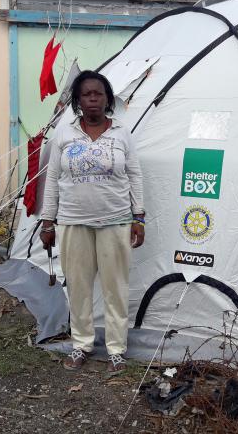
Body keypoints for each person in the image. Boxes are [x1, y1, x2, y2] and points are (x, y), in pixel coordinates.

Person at [39, 70, 145, 373]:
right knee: (79, 287)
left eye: (98, 93)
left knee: (115, 288)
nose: (93, 99)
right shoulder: (65, 133)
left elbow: (135, 176)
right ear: (78, 100)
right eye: (87, 94)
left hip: (116, 220)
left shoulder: (122, 133)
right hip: (73, 222)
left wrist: (139, 217)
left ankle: (116, 350)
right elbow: (54, 179)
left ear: (107, 98)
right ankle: (81, 344)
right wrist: (48, 222)